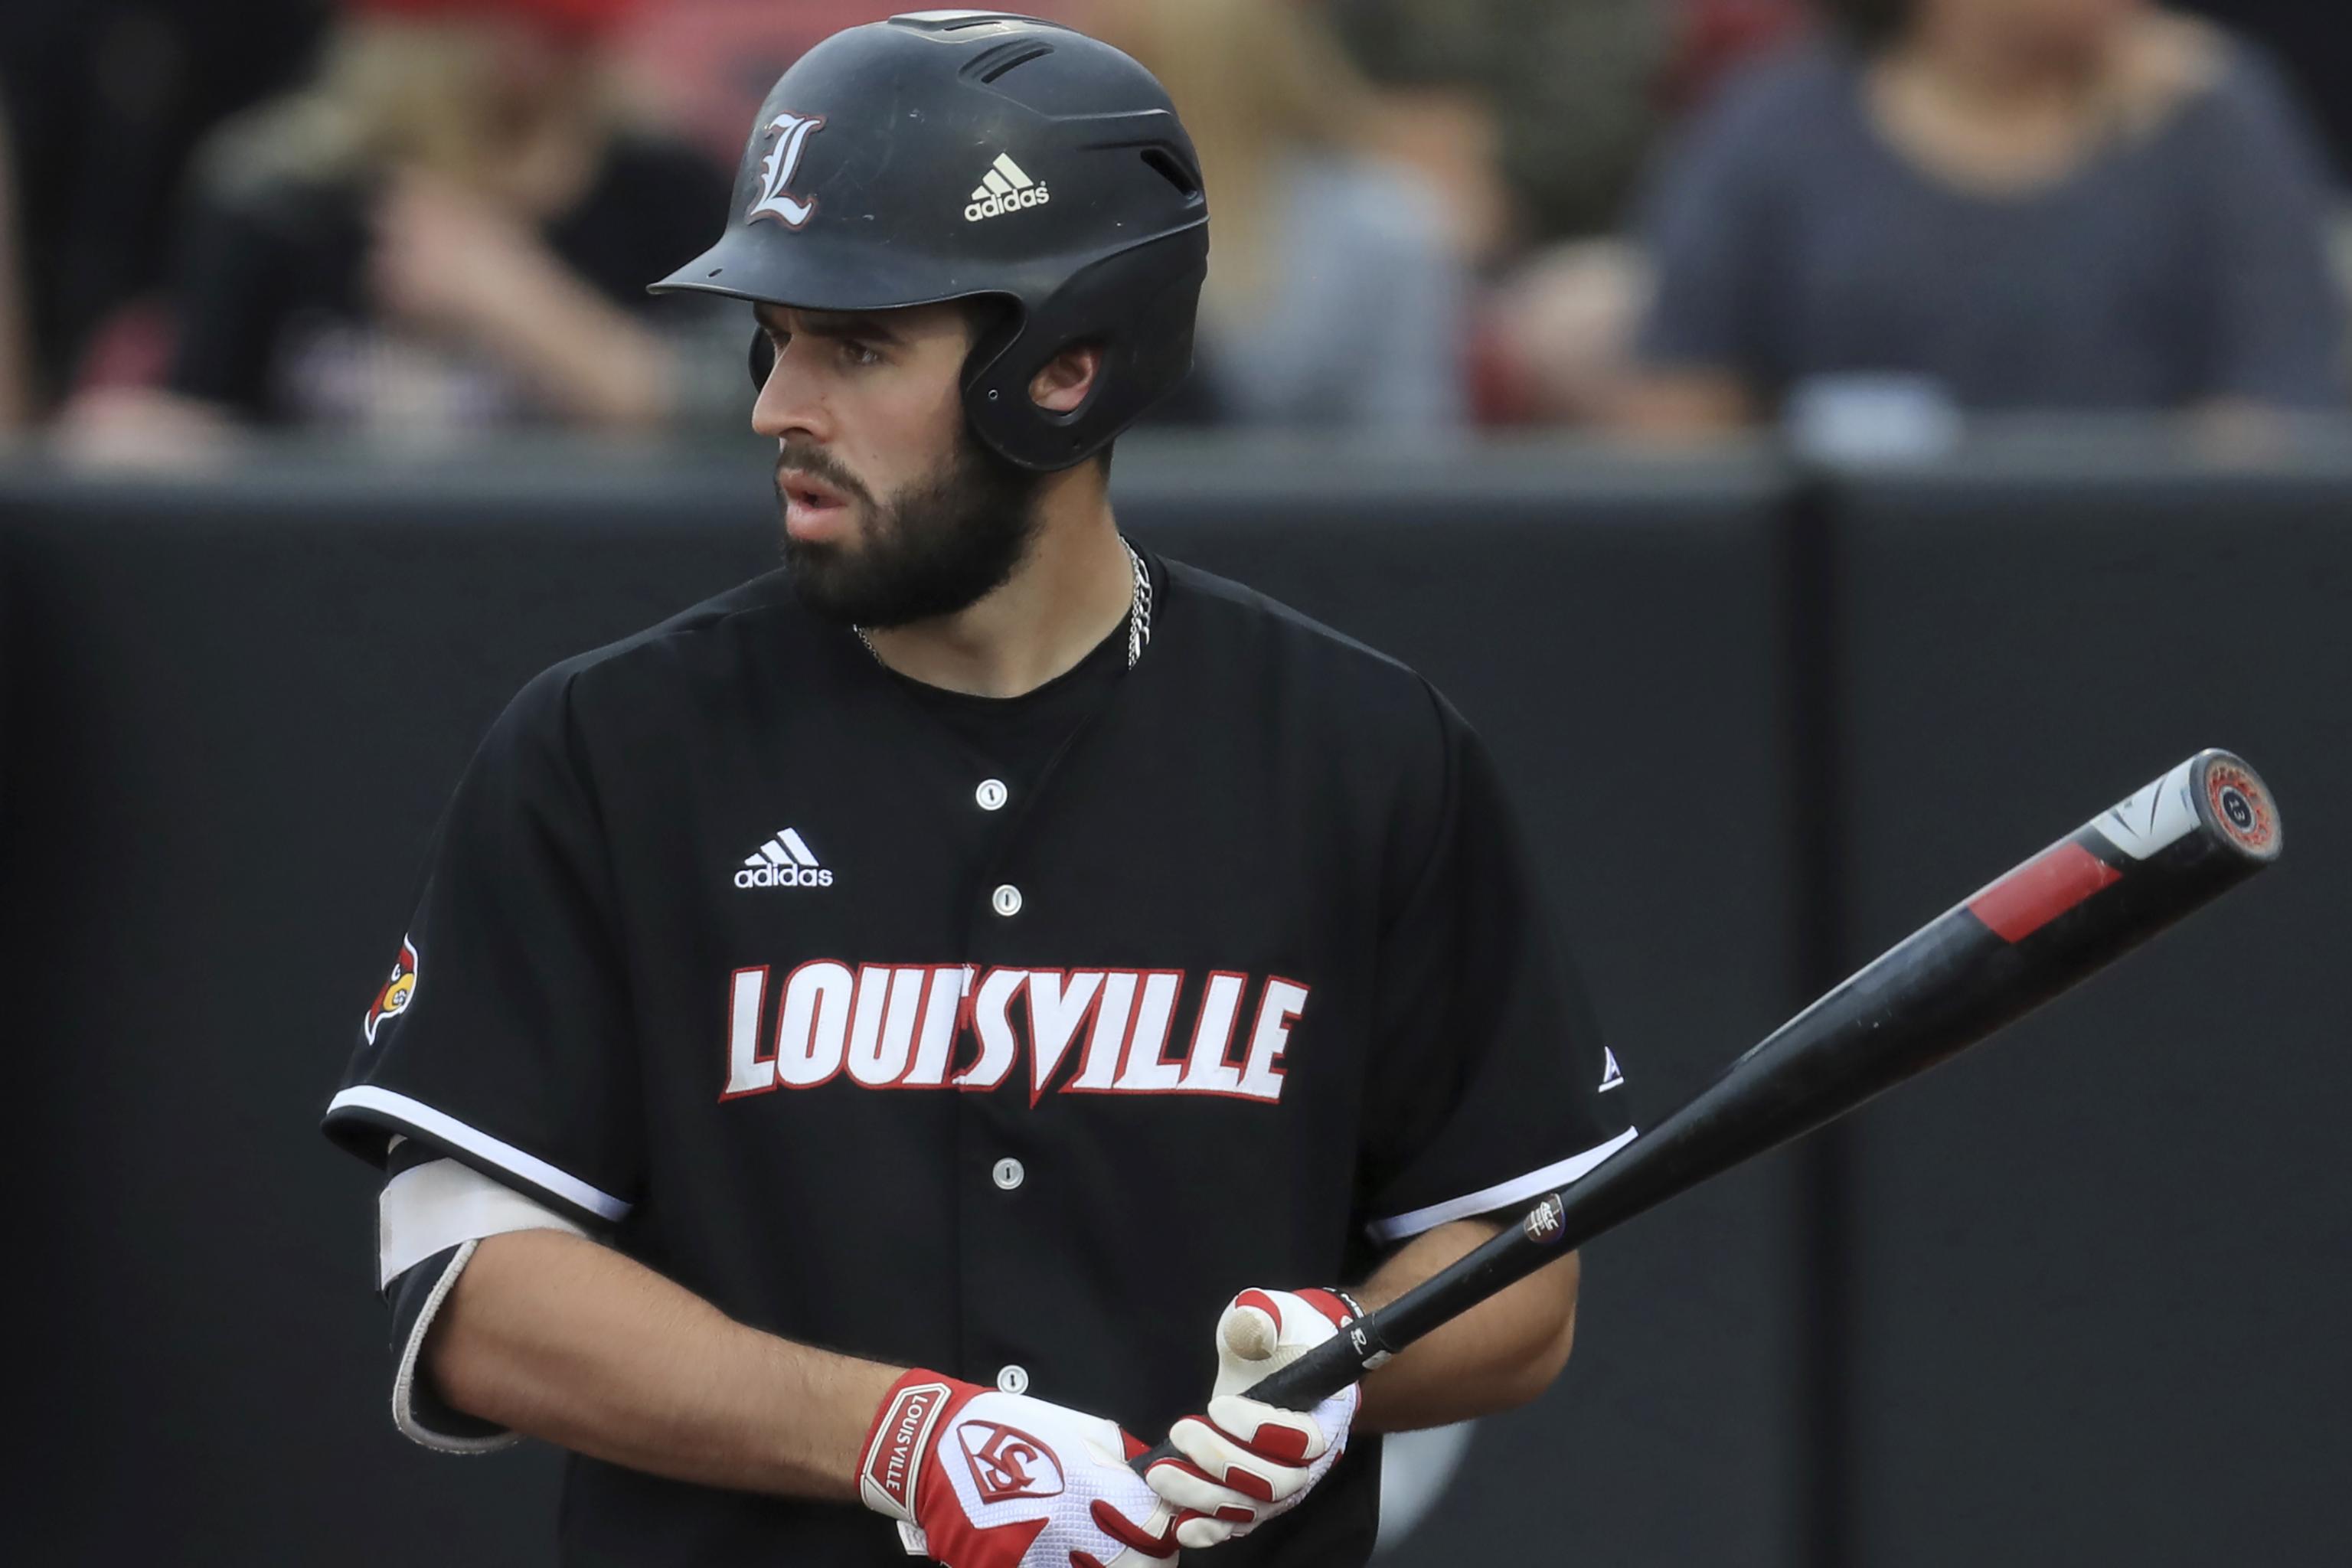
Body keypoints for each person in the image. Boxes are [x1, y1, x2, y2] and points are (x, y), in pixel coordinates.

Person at [320, 11, 1633, 1568]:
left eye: (858, 345)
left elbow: (1519, 1279)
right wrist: (899, 1437)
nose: (777, 407)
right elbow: (474, 1288)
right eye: (777, 334)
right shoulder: (610, 748)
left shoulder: (1360, 749)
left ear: (1064, 369)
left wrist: (1340, 1366)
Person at [1620, 0, 2347, 431]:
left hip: (2141, 601)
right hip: (1848, 602)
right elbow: (1682, 408)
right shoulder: (1772, 127)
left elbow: (2273, 412)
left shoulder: (2209, 118)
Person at [64, 0, 733, 456]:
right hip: (327, 588)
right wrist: (131, 444)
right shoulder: (282, 202)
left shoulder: (664, 186)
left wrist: (517, 306)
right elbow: (209, 437)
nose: (528, 60)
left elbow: (740, 430)